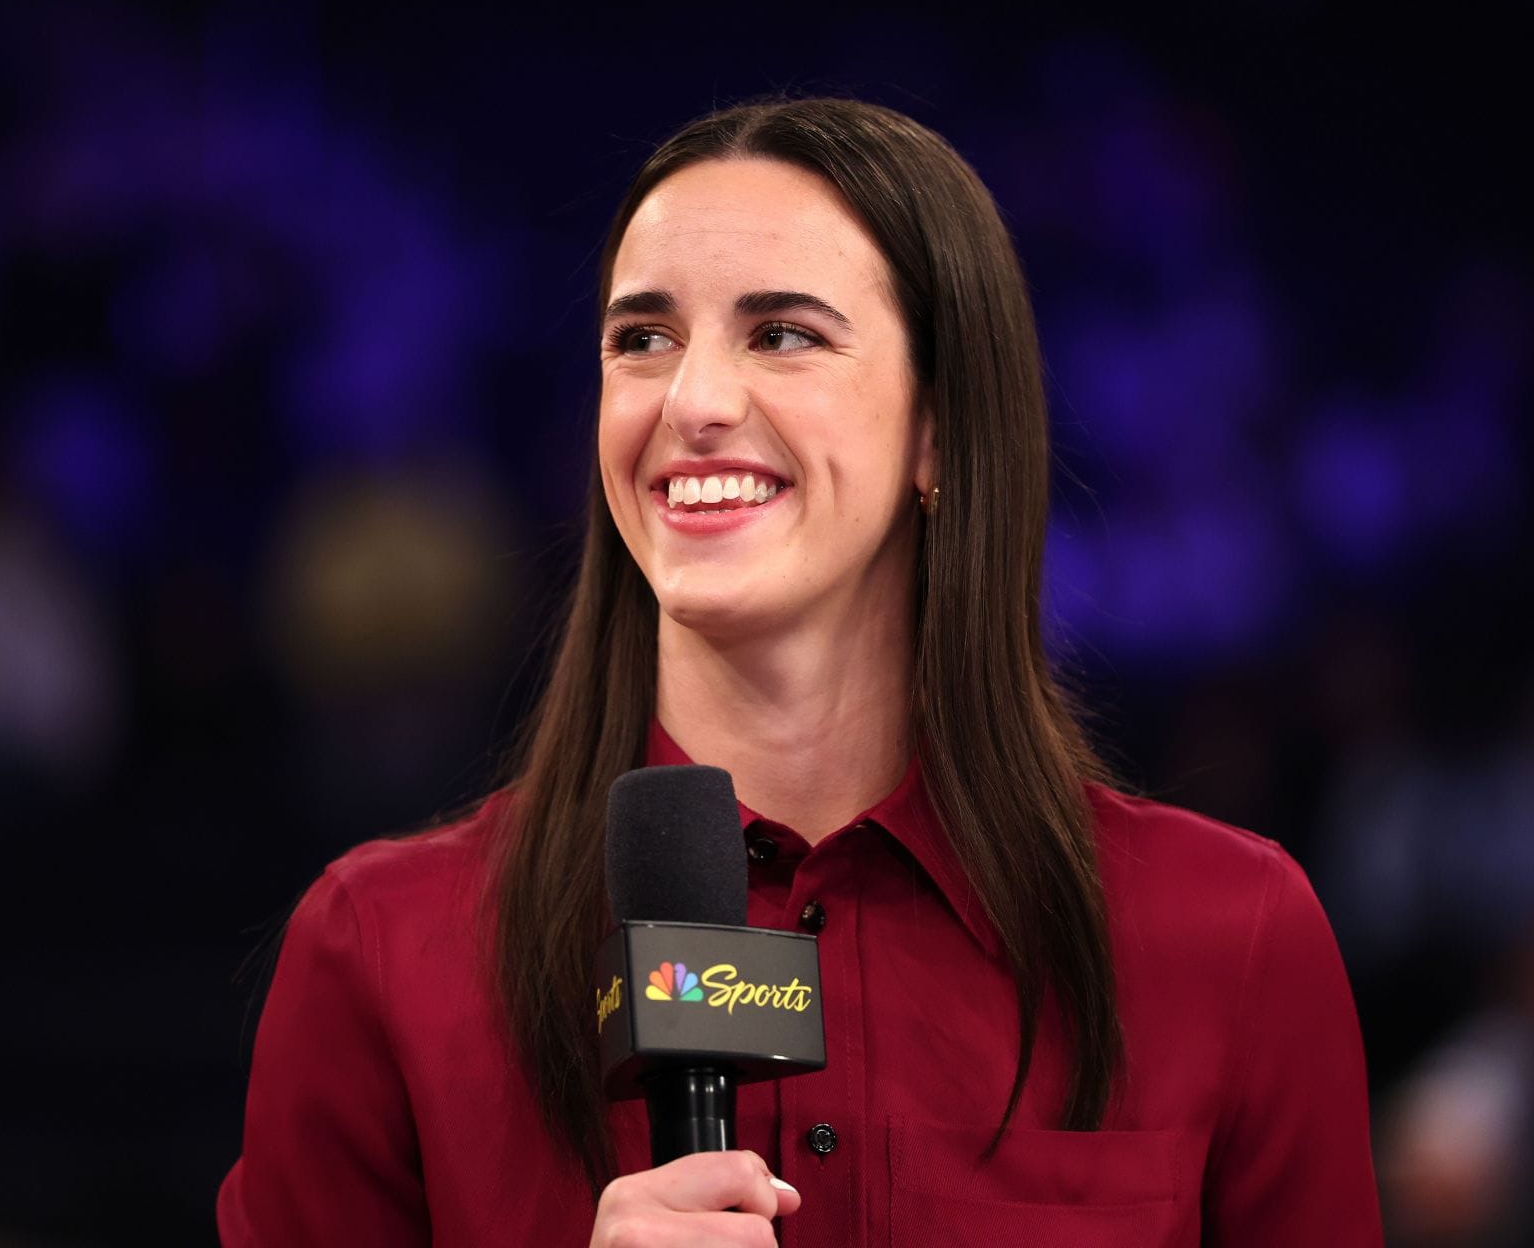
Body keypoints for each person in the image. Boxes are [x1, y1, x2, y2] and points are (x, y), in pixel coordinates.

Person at [217, 97, 1383, 1246]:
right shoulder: (383, 950)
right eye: (643, 340)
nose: (694, 402)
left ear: (939, 424)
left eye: (782, 335)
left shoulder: (1226, 937)